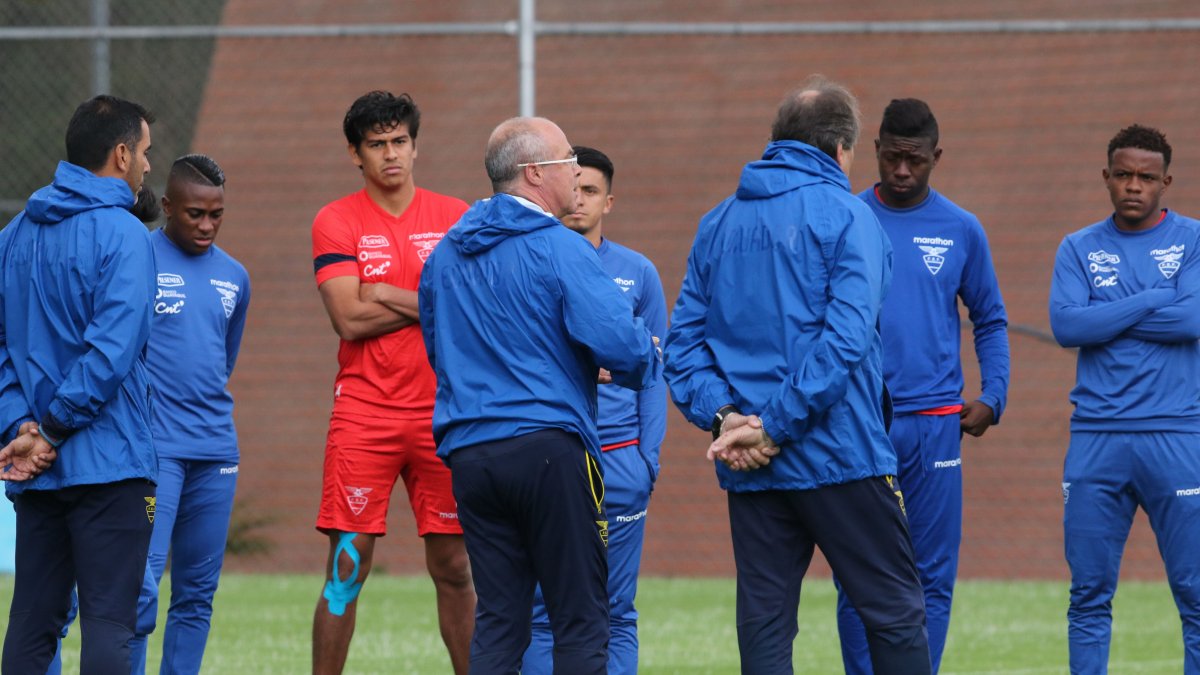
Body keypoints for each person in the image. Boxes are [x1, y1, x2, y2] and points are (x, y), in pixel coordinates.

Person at [662, 76, 931, 675]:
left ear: (777, 141)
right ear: (841, 150)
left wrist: (728, 419)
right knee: (894, 614)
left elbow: (681, 348)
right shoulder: (850, 215)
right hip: (842, 456)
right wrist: (774, 426)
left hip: (750, 465)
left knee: (764, 626)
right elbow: (847, 339)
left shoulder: (717, 222)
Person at [418, 117, 662, 674]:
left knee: (501, 620)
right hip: (549, 450)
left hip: (471, 454)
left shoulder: (445, 255)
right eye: (567, 161)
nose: (577, 172)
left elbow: (440, 351)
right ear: (534, 174)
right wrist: (645, 354)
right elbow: (620, 344)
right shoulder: (561, 247)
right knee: (581, 616)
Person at [835, 98, 1010, 674]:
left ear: (936, 156)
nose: (902, 171)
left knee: (931, 572)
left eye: (915, 160)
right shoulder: (845, 216)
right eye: (891, 158)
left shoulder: (962, 228)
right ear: (876, 151)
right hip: (860, 423)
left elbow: (990, 317)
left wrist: (995, 394)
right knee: (858, 573)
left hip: (936, 424)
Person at [309, 90, 475, 675]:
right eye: (376, 145)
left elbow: (467, 309)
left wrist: (387, 293)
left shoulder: (456, 216)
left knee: (455, 565)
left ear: (414, 145)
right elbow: (348, 318)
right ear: (356, 154)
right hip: (364, 414)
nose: (390, 155)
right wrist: (431, 301)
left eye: (399, 141)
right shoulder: (336, 219)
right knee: (347, 567)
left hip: (444, 414)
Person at [0, 95, 158, 674]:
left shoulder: (13, 234)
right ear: (120, 155)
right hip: (110, 466)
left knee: (31, 625)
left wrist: (22, 427)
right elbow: (112, 351)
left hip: (35, 470)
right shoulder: (125, 234)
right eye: (144, 152)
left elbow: (1, 349)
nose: (147, 165)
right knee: (111, 624)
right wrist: (54, 430)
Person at [1049, 124, 1200, 673]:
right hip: (1097, 437)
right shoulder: (1078, 247)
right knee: (1088, 593)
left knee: (1196, 594)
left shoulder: (1195, 240)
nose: (1133, 186)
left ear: (1166, 182)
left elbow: (1191, 318)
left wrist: (1107, 314)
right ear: (1106, 177)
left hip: (1178, 436)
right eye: (1123, 175)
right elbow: (1067, 326)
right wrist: (1157, 297)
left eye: (1146, 177)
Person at [521, 146, 668, 675]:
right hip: (554, 461)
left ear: (610, 201)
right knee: (543, 614)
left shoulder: (638, 273)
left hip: (622, 460)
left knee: (616, 611)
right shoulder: (536, 261)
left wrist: (648, 458)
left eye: (590, 191)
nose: (578, 200)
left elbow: (655, 371)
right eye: (573, 187)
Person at [127, 154, 251, 674]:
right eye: (194, 214)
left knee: (198, 595)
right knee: (140, 587)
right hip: (156, 453)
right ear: (168, 207)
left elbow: (223, 359)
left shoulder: (235, 278)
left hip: (216, 453)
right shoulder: (138, 259)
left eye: (216, 215)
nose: (205, 225)